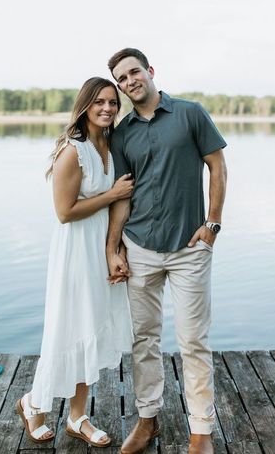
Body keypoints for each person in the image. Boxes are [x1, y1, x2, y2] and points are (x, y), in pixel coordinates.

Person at [106, 49, 227, 454]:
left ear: (150, 71)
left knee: (193, 340)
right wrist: (115, 246)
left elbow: (217, 165)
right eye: (121, 79)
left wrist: (212, 225)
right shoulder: (121, 133)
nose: (128, 82)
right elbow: (123, 194)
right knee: (144, 339)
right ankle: (147, 421)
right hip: (140, 247)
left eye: (133, 72)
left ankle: (201, 433)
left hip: (190, 247)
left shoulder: (191, 114)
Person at [16, 77, 134, 444]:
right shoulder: (74, 151)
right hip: (75, 249)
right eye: (99, 102)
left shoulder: (112, 147)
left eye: (113, 102)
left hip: (100, 245)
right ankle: (34, 403)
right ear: (85, 106)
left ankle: (77, 417)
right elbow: (65, 212)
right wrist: (112, 192)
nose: (107, 108)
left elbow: (120, 201)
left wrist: (116, 250)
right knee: (66, 328)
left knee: (89, 329)